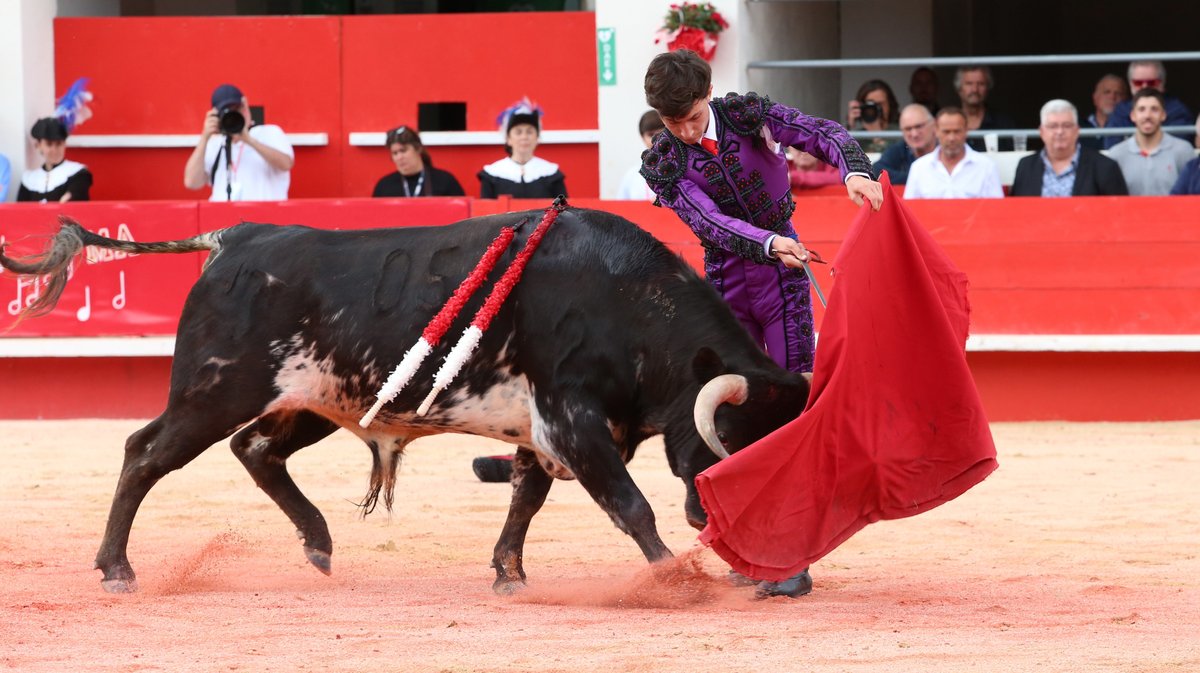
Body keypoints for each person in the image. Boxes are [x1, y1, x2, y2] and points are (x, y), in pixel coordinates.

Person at [636, 49, 882, 599]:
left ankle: (789, 551)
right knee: (736, 416)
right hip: (725, 285)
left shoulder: (747, 115)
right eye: (672, 122)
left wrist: (855, 172)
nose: (684, 129)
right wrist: (769, 242)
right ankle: (750, 542)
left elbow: (820, 132)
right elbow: (708, 220)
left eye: (692, 116)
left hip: (783, 284)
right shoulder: (665, 161)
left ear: (707, 95)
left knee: (790, 403)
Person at [183, 83, 294, 202]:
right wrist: (205, 137)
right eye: (227, 112)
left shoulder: (269, 132)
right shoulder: (215, 144)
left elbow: (286, 164)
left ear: (245, 105)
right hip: (224, 217)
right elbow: (191, 182)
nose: (233, 115)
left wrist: (248, 139)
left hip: (264, 217)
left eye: (237, 109)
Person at [1010, 100, 1127, 197]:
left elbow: (1120, 214)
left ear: (1077, 130)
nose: (1060, 132)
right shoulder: (1026, 166)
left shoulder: (1105, 166)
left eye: (1066, 126)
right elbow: (1015, 212)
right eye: (1053, 126)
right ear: (1041, 132)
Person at [1109, 89, 1195, 196]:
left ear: (1163, 115)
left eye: (1154, 109)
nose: (1147, 116)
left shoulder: (1183, 150)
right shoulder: (1116, 154)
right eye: (1141, 109)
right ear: (1133, 116)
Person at [904, 107, 1004, 199]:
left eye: (957, 131)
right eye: (946, 132)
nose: (951, 138)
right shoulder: (919, 167)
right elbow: (909, 210)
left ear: (966, 131)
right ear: (936, 131)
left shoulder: (986, 166)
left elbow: (996, 210)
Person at [478, 99, 567, 199]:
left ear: (537, 138)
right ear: (508, 139)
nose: (524, 137)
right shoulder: (492, 175)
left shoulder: (551, 173)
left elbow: (563, 212)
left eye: (529, 132)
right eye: (518, 132)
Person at [1103, 60, 1195, 149]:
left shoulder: (1177, 111)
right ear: (1131, 84)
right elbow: (1112, 148)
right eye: (1138, 83)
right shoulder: (1120, 112)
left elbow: (1177, 148)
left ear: (1162, 83)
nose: (1144, 87)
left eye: (1151, 83)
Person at [372, 125, 464, 198]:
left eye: (403, 150)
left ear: (418, 149)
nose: (399, 157)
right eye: (395, 153)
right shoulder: (384, 187)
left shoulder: (445, 181)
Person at [16, 117, 93, 203]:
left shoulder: (78, 173)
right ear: (38, 145)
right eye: (49, 144)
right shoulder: (29, 179)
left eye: (59, 144)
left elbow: (70, 201)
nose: (54, 150)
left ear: (64, 144)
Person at [954, 65, 1016, 152]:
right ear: (959, 88)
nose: (975, 90)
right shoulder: (949, 123)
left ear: (988, 87)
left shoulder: (1003, 123)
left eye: (981, 84)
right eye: (969, 84)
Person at [874, 104, 937, 185]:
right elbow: (878, 170)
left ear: (934, 125)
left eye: (918, 126)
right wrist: (917, 179)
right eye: (908, 129)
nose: (914, 134)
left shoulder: (945, 148)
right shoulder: (899, 149)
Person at [615, 110, 665, 200]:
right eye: (650, 135)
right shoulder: (632, 175)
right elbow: (620, 209)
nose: (656, 139)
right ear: (642, 137)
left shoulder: (685, 170)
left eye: (662, 134)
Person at [846, 79, 900, 153]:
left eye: (880, 104)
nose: (876, 109)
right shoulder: (856, 136)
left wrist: (876, 135)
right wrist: (848, 127)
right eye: (871, 105)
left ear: (890, 105)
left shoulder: (899, 133)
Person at [1081, 74, 1129, 150]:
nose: (1112, 97)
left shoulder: (1130, 127)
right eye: (1107, 92)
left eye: (1118, 93)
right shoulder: (1079, 126)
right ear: (1095, 98)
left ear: (1125, 99)